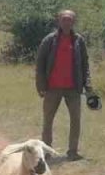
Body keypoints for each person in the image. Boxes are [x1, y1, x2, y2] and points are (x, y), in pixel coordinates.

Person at [35, 10, 90, 161]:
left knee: (76, 120)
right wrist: (40, 85)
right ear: (59, 21)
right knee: (48, 120)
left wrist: (88, 85)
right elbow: (40, 64)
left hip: (73, 88)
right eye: (64, 19)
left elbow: (85, 65)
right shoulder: (49, 40)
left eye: (70, 20)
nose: (67, 22)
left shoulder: (79, 41)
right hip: (52, 88)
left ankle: (72, 152)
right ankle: (46, 152)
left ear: (74, 22)